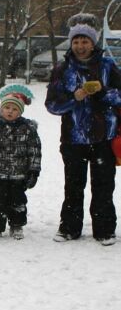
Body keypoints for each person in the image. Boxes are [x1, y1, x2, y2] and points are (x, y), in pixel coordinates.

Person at [45, 13, 121, 246]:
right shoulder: (62, 68)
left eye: (85, 41)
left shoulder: (108, 66)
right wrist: (73, 98)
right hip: (73, 138)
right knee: (74, 186)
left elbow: (120, 97)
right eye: (76, 41)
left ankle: (104, 230)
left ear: (93, 42)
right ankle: (69, 228)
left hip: (103, 138)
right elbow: (52, 105)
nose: (80, 46)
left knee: (103, 186)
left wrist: (101, 93)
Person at [0, 87, 42, 240]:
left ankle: (16, 225)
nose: (10, 111)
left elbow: (34, 151)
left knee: (18, 201)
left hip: (19, 174)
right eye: (7, 107)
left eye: (14, 109)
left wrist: (33, 171)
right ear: (1, 109)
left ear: (20, 112)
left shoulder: (28, 129)